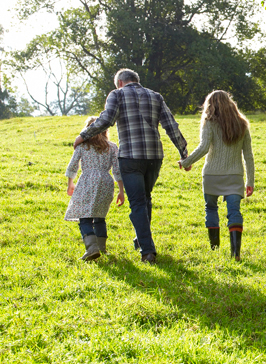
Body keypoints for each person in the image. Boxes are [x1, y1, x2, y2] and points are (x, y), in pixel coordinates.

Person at [74, 69, 189, 264]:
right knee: (145, 198)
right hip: (154, 156)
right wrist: (183, 152)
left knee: (137, 202)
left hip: (130, 156)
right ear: (136, 80)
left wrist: (83, 135)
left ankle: (147, 251)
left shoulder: (117, 94)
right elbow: (171, 125)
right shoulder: (155, 96)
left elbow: (106, 120)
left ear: (120, 82)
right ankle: (141, 239)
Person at [179, 90, 254, 261]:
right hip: (234, 176)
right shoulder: (242, 124)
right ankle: (235, 253)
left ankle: (215, 250)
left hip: (212, 174)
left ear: (210, 104)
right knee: (234, 211)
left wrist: (186, 162)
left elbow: (204, 147)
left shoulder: (209, 122)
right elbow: (248, 155)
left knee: (211, 208)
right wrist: (250, 181)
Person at [65, 116, 125, 261]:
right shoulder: (112, 147)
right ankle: (101, 248)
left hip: (87, 181)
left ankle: (92, 248)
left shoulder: (83, 146)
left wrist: (70, 183)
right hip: (106, 182)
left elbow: (73, 165)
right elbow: (117, 170)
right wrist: (121, 191)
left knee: (84, 217)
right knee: (99, 216)